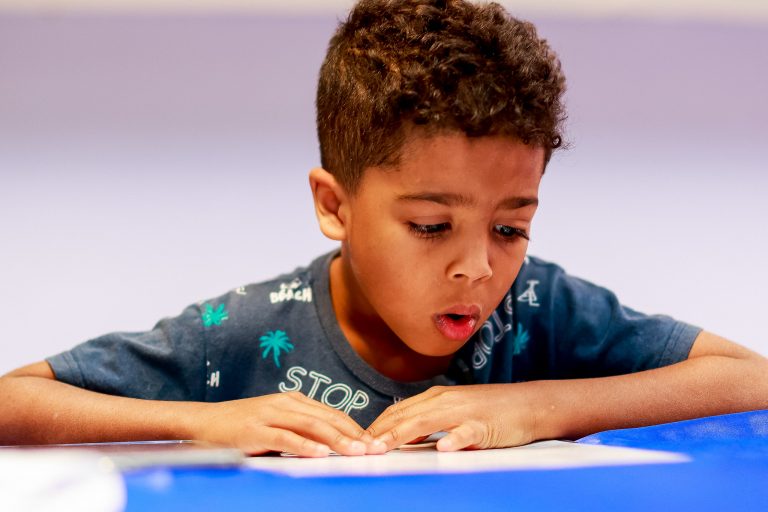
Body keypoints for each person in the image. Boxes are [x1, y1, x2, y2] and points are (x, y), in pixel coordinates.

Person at [1, 0, 766, 458]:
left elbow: (750, 379)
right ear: (334, 206)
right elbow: (14, 400)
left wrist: (540, 406)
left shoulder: (537, 308)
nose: (478, 268)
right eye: (432, 225)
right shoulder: (244, 334)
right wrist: (202, 423)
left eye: (510, 228)